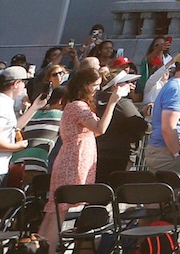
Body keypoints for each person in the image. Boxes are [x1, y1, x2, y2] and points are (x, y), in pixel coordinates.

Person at [41, 66, 127, 246]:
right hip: (73, 161)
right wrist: (113, 101)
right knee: (59, 212)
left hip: (70, 158)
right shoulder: (78, 106)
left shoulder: (74, 105)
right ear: (85, 85)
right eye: (95, 85)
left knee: (54, 212)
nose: (97, 89)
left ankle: (38, 248)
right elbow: (100, 129)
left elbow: (93, 131)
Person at [144, 48, 180, 179]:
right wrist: (177, 153)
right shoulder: (176, 88)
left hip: (166, 150)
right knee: (167, 195)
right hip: (168, 152)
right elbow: (169, 127)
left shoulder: (175, 86)